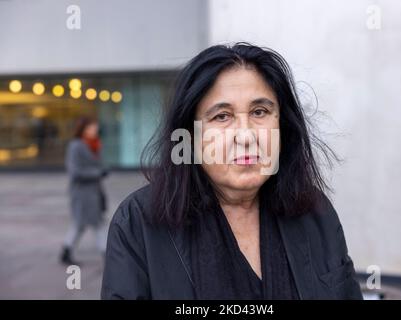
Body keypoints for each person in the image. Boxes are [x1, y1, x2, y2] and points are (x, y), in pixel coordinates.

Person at [101, 43, 363, 300]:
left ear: (282, 126)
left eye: (260, 112)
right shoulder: (138, 224)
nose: (246, 136)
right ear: (190, 136)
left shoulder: (314, 211)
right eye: (222, 117)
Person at [60, 116, 108, 265]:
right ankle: (108, 255)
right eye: (91, 127)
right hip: (82, 193)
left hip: (94, 192)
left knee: (80, 225)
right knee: (96, 225)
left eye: (95, 126)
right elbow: (74, 172)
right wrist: (98, 173)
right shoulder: (76, 146)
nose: (95, 129)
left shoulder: (94, 144)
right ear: (83, 129)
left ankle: (66, 251)